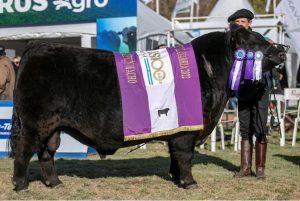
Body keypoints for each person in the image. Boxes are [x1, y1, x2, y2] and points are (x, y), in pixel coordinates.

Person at [228, 9, 269, 179]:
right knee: (245, 128)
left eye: (243, 22)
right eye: (237, 22)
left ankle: (260, 169)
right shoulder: (230, 41)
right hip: (243, 88)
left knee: (260, 126)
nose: (240, 25)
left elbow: (270, 60)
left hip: (260, 88)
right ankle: (245, 168)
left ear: (249, 23)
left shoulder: (259, 39)